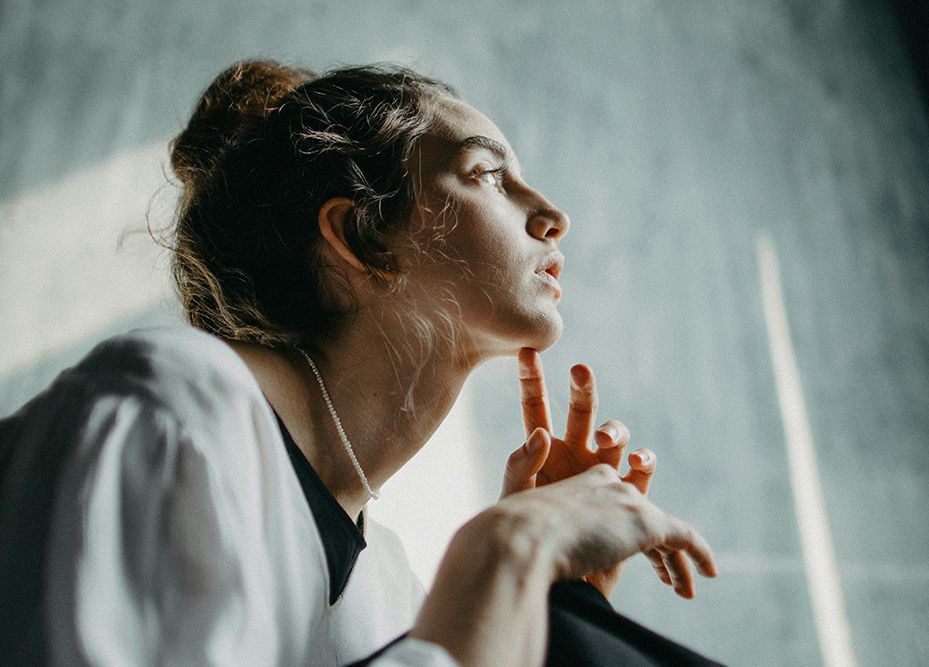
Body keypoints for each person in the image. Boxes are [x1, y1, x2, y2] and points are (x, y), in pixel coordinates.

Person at [0, 61, 719, 666]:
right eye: (489, 174)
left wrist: (554, 603)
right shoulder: (170, 405)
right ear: (361, 235)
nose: (552, 213)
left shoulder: (390, 588)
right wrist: (510, 551)